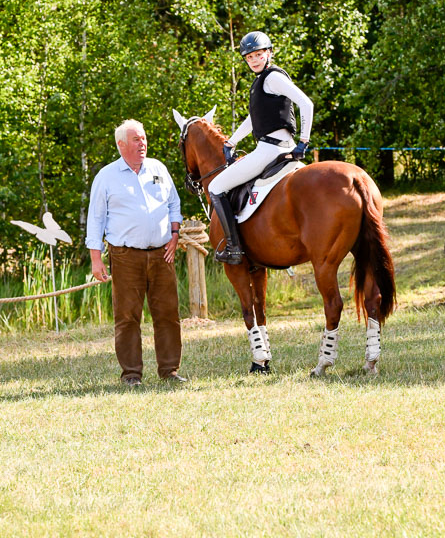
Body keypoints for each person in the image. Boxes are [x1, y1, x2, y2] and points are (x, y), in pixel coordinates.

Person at [86, 119, 186, 387]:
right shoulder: (106, 176)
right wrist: (96, 259)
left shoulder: (158, 168)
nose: (142, 143)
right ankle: (131, 374)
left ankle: (170, 371)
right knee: (128, 316)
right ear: (121, 145)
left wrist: (175, 234)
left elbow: (174, 203)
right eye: (136, 139)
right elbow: (95, 219)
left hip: (162, 254)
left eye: (143, 138)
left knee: (168, 313)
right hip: (125, 256)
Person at [209, 30, 314, 265]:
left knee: (215, 187)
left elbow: (306, 103)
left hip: (270, 150)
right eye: (249, 57)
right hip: (277, 148)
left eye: (258, 55)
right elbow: (253, 119)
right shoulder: (261, 82)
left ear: (269, 53)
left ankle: (234, 248)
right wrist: (231, 142)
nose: (254, 60)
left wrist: (304, 142)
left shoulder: (272, 78)